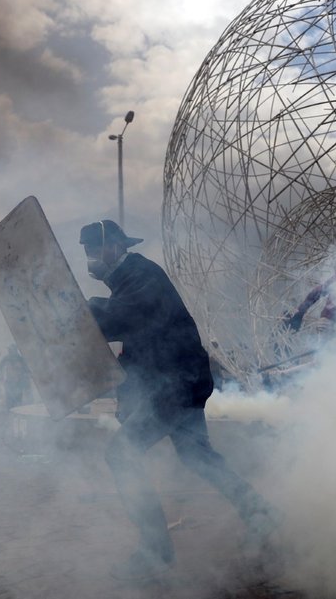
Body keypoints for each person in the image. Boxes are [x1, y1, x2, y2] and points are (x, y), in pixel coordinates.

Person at [80, 219, 278, 581]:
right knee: (197, 456)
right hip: (179, 383)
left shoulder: (141, 275)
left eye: (92, 250)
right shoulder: (126, 279)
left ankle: (155, 554)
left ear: (113, 246)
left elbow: (120, 319)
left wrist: (80, 307)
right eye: (86, 252)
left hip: (174, 385)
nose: (89, 258)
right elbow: (138, 340)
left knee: (120, 455)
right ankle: (260, 514)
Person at [0, 344, 31, 410]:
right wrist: (1, 378)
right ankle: (8, 414)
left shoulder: (21, 359)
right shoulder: (6, 358)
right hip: (9, 382)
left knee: (18, 401)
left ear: (15, 350)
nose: (9, 351)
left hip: (19, 383)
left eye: (10, 350)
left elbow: (27, 371)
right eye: (9, 350)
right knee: (9, 400)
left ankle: (16, 414)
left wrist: (25, 380)